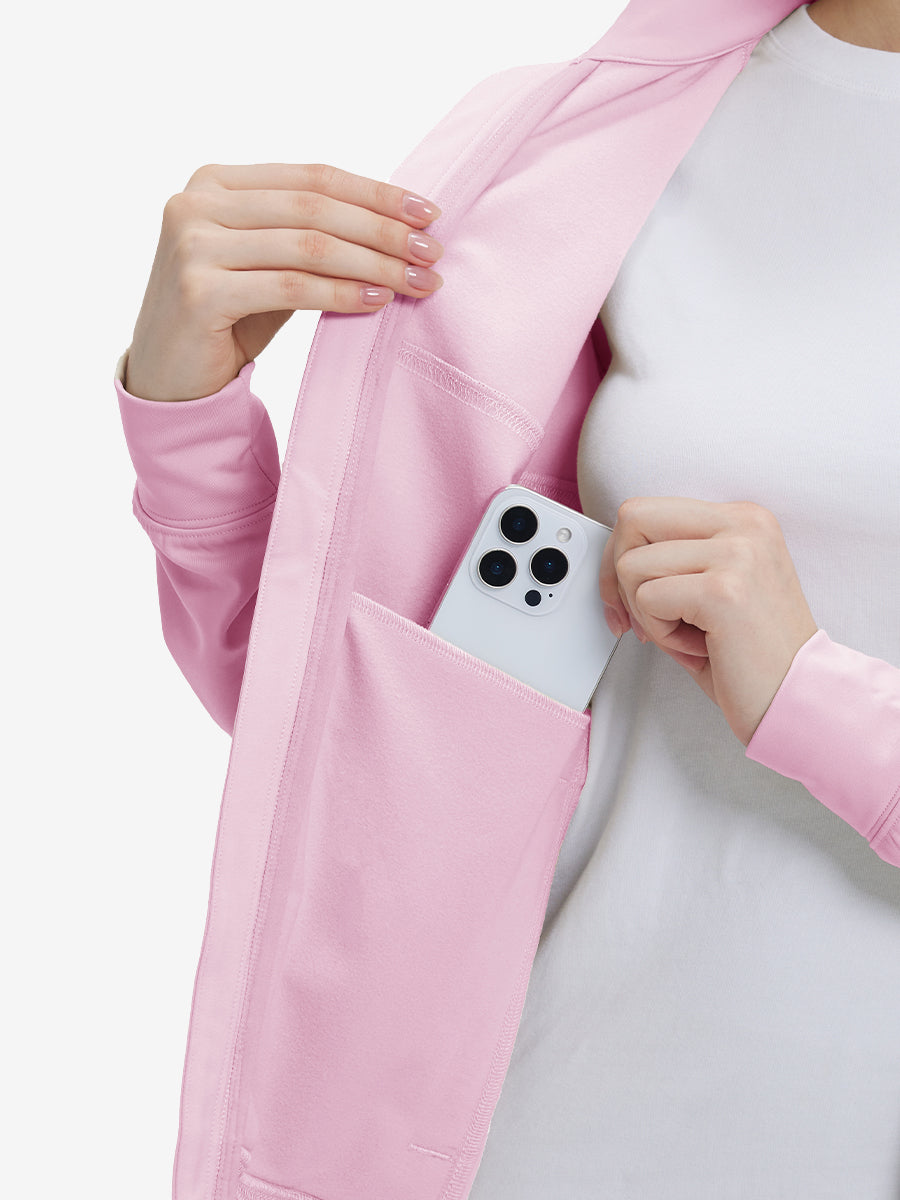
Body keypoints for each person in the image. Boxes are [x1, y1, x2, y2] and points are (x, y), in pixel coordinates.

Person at [115, 0, 900, 1194]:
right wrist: (189, 423)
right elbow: (361, 742)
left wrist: (811, 695)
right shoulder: (579, 134)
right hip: (539, 1130)